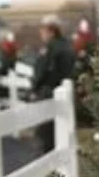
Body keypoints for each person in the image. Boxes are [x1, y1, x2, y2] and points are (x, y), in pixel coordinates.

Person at [30, 14, 76, 151]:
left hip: (48, 93)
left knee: (45, 135)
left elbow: (41, 72)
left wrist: (34, 88)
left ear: (50, 30)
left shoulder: (50, 48)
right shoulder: (68, 46)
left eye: (42, 30)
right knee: (62, 132)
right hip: (65, 92)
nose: (41, 33)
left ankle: (48, 166)